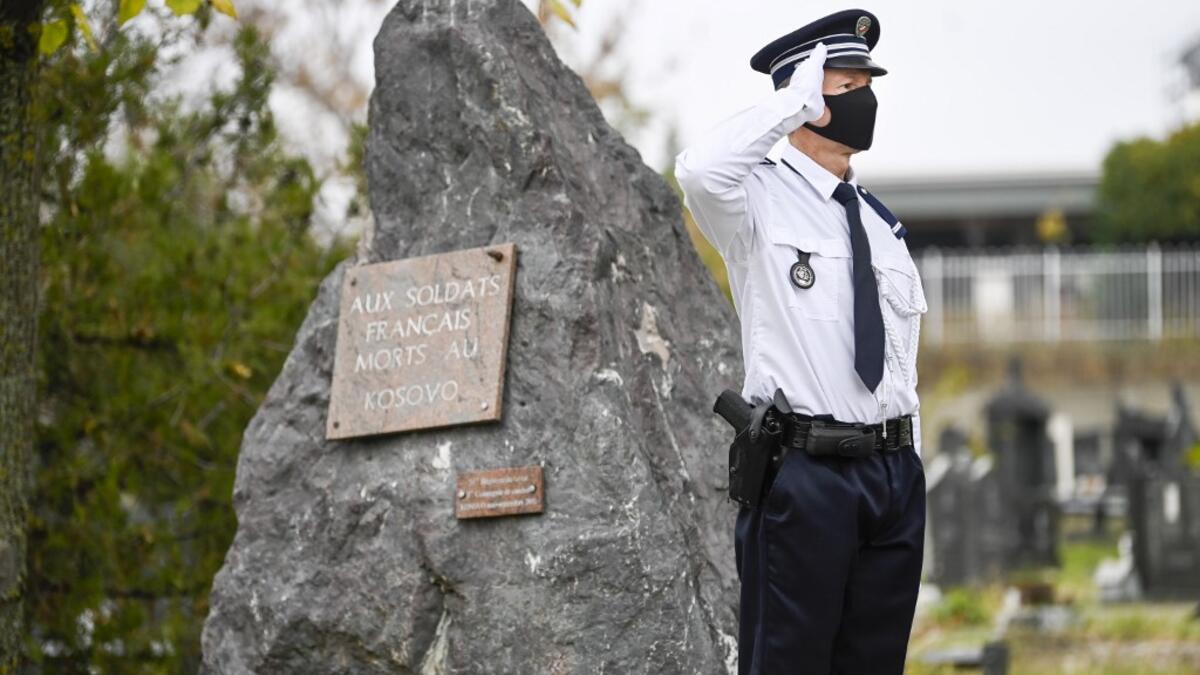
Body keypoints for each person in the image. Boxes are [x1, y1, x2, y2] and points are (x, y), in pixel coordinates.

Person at [674, 9, 928, 675]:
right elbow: (697, 172)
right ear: (808, 98)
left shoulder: (880, 223)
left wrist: (913, 462)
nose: (865, 99)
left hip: (892, 474)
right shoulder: (753, 200)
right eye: (847, 87)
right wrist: (789, 104)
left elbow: (902, 356)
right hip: (807, 472)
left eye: (865, 84)